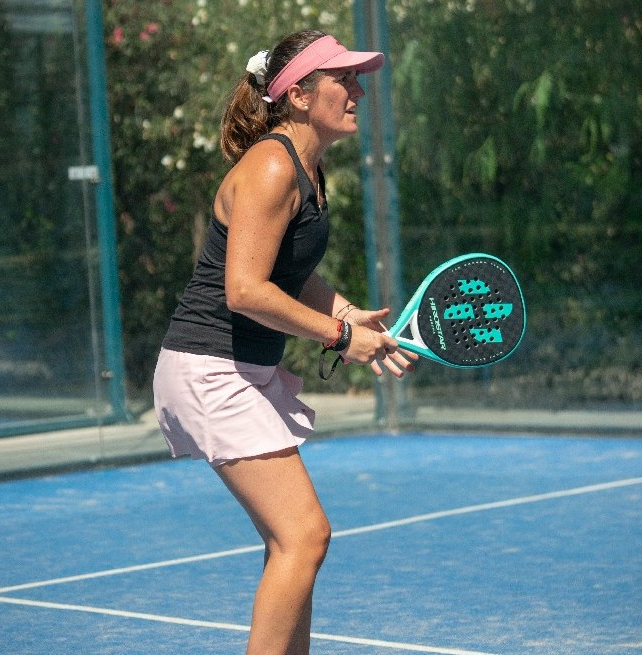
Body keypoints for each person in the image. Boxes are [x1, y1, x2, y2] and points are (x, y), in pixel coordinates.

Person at [153, 29, 417, 655]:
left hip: (237, 367)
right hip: (210, 367)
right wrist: (339, 336)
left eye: (356, 80)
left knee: (292, 541)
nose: (357, 92)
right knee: (304, 535)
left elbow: (287, 270)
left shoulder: (309, 170)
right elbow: (245, 289)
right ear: (298, 95)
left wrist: (347, 313)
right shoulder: (272, 166)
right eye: (342, 80)